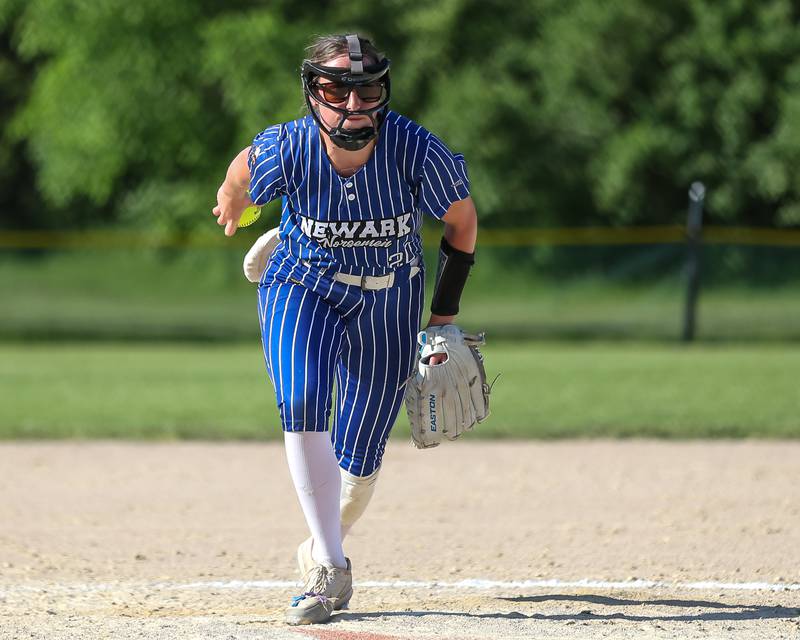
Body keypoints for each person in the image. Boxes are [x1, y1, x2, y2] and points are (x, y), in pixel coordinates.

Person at [212, 33, 478, 625]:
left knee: (358, 467)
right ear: (314, 93)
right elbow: (241, 172)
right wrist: (237, 203)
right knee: (302, 397)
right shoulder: (290, 146)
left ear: (383, 92)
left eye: (368, 90)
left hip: (389, 297)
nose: (353, 106)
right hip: (301, 284)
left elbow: (461, 219)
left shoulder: (414, 148)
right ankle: (330, 569)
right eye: (337, 90)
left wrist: (444, 317)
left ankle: (321, 540)